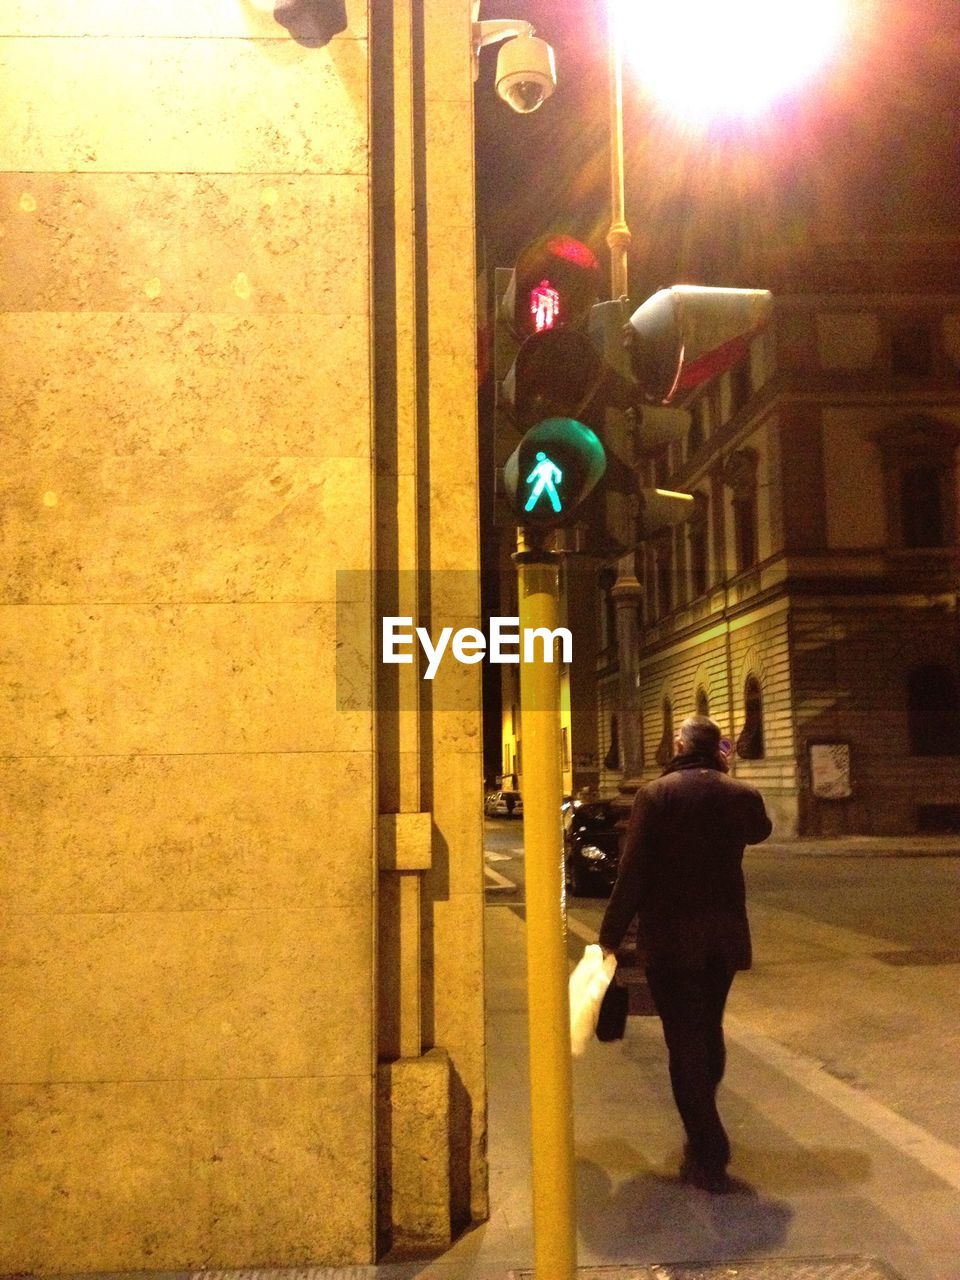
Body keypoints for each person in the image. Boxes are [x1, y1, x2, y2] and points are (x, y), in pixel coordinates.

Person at [599, 713, 772, 1193]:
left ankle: (708, 1147)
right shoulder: (740, 794)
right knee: (708, 1028)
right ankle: (703, 1138)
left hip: (672, 938)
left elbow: (633, 871)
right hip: (724, 937)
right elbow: (761, 830)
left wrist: (609, 934)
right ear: (717, 748)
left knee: (684, 1042)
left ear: (679, 743)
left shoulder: (657, 795)